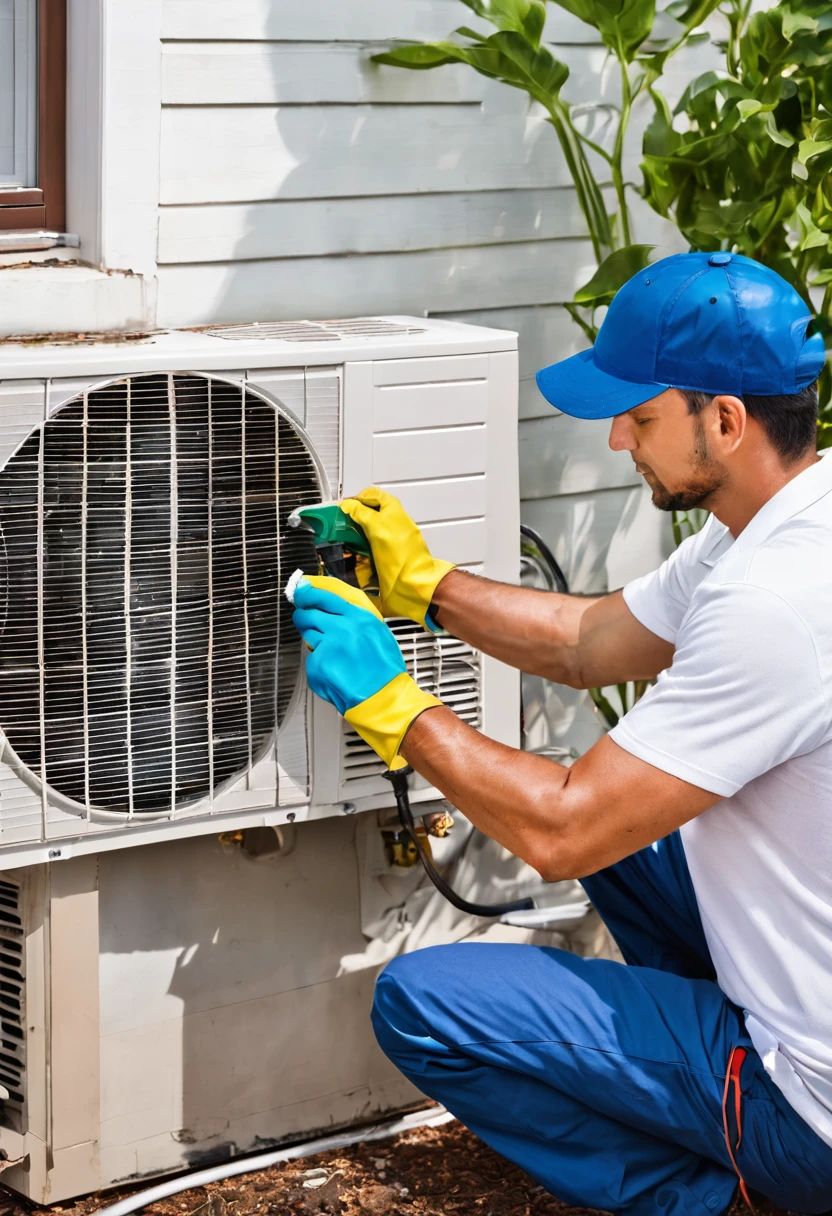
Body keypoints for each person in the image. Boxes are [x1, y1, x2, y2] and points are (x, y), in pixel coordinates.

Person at [290, 251, 832, 1215]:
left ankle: (717, 1196)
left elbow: (562, 831)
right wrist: (426, 585)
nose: (618, 437)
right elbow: (593, 641)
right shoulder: (778, 519)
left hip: (813, 1107)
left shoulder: (776, 603)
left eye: (641, 413)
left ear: (728, 420)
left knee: (423, 1006)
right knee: (606, 810)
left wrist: (395, 706)